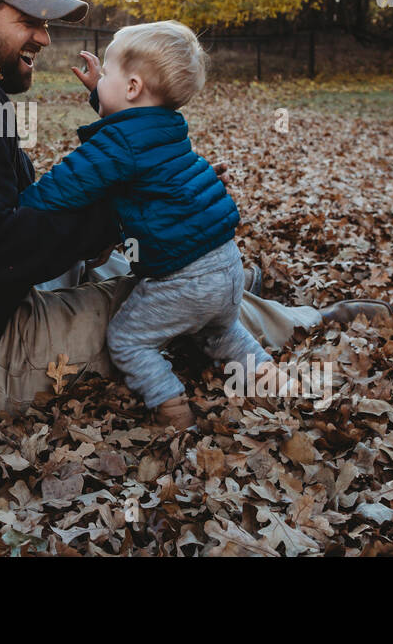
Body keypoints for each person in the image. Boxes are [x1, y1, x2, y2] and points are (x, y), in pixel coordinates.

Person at [0, 0, 390, 425]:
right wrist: (107, 218)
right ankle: (295, 318)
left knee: (136, 269)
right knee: (161, 297)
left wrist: (104, 219)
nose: (43, 35)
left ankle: (233, 288)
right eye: (29, 20)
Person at [17, 21, 282, 427]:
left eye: (106, 73)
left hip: (185, 279)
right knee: (222, 335)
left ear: (133, 87)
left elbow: (67, 184)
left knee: (128, 340)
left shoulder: (119, 145)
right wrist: (99, 92)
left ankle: (171, 406)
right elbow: (130, 127)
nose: (100, 79)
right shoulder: (167, 126)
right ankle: (273, 379)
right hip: (227, 265)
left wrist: (21, 209)